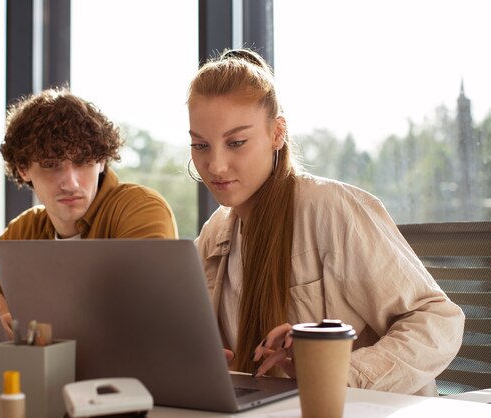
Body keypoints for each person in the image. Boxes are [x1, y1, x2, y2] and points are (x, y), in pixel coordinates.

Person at [187, 48, 464, 396]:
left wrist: (337, 374)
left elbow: (439, 321)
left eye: (237, 142)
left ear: (277, 133)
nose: (216, 166)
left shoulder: (331, 209)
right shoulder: (215, 234)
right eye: (200, 145)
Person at [0, 87, 178, 336]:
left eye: (83, 162)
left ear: (102, 161)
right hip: (52, 371)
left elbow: (141, 308)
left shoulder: (139, 207)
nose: (71, 183)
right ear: (23, 168)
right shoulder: (27, 227)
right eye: (52, 165)